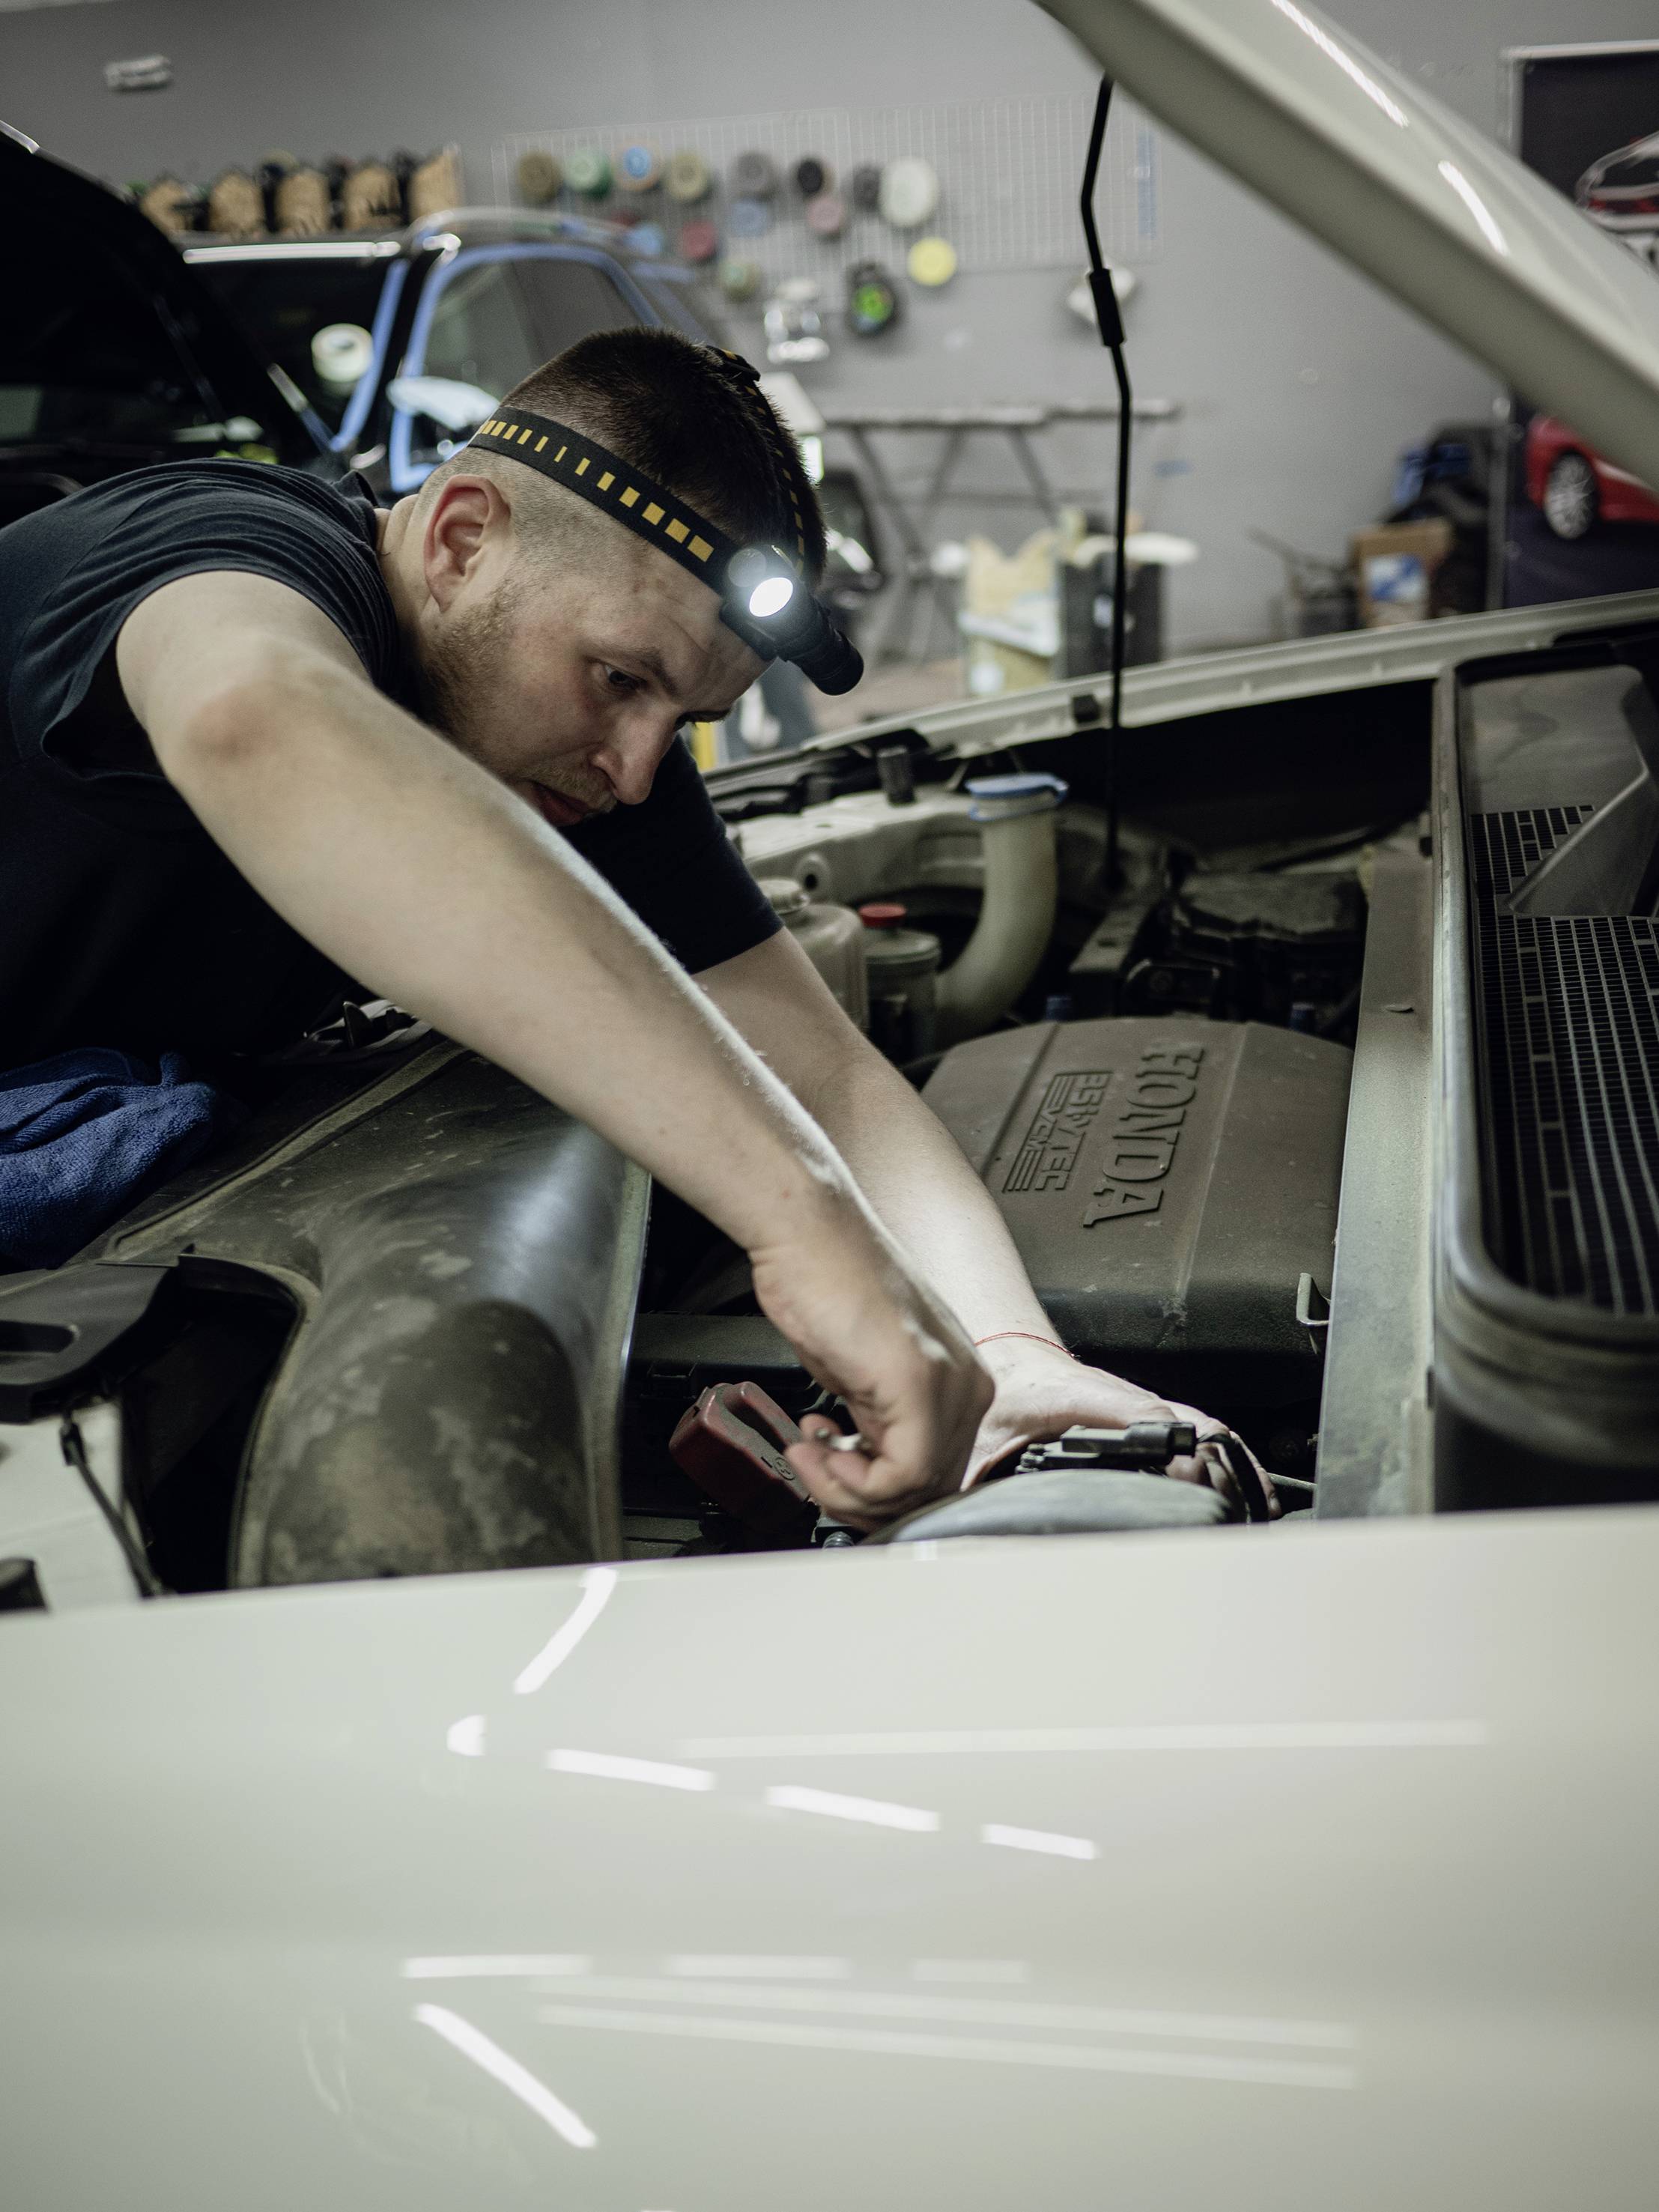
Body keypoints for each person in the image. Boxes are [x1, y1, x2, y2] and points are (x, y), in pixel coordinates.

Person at [0, 326, 1262, 1530]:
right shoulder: (215, 548)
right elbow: (257, 719)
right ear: (461, 538)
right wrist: (797, 1219)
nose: (644, 766)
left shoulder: (575, 753)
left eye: (687, 715)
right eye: (622, 678)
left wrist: (1009, 1355)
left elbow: (825, 1073)